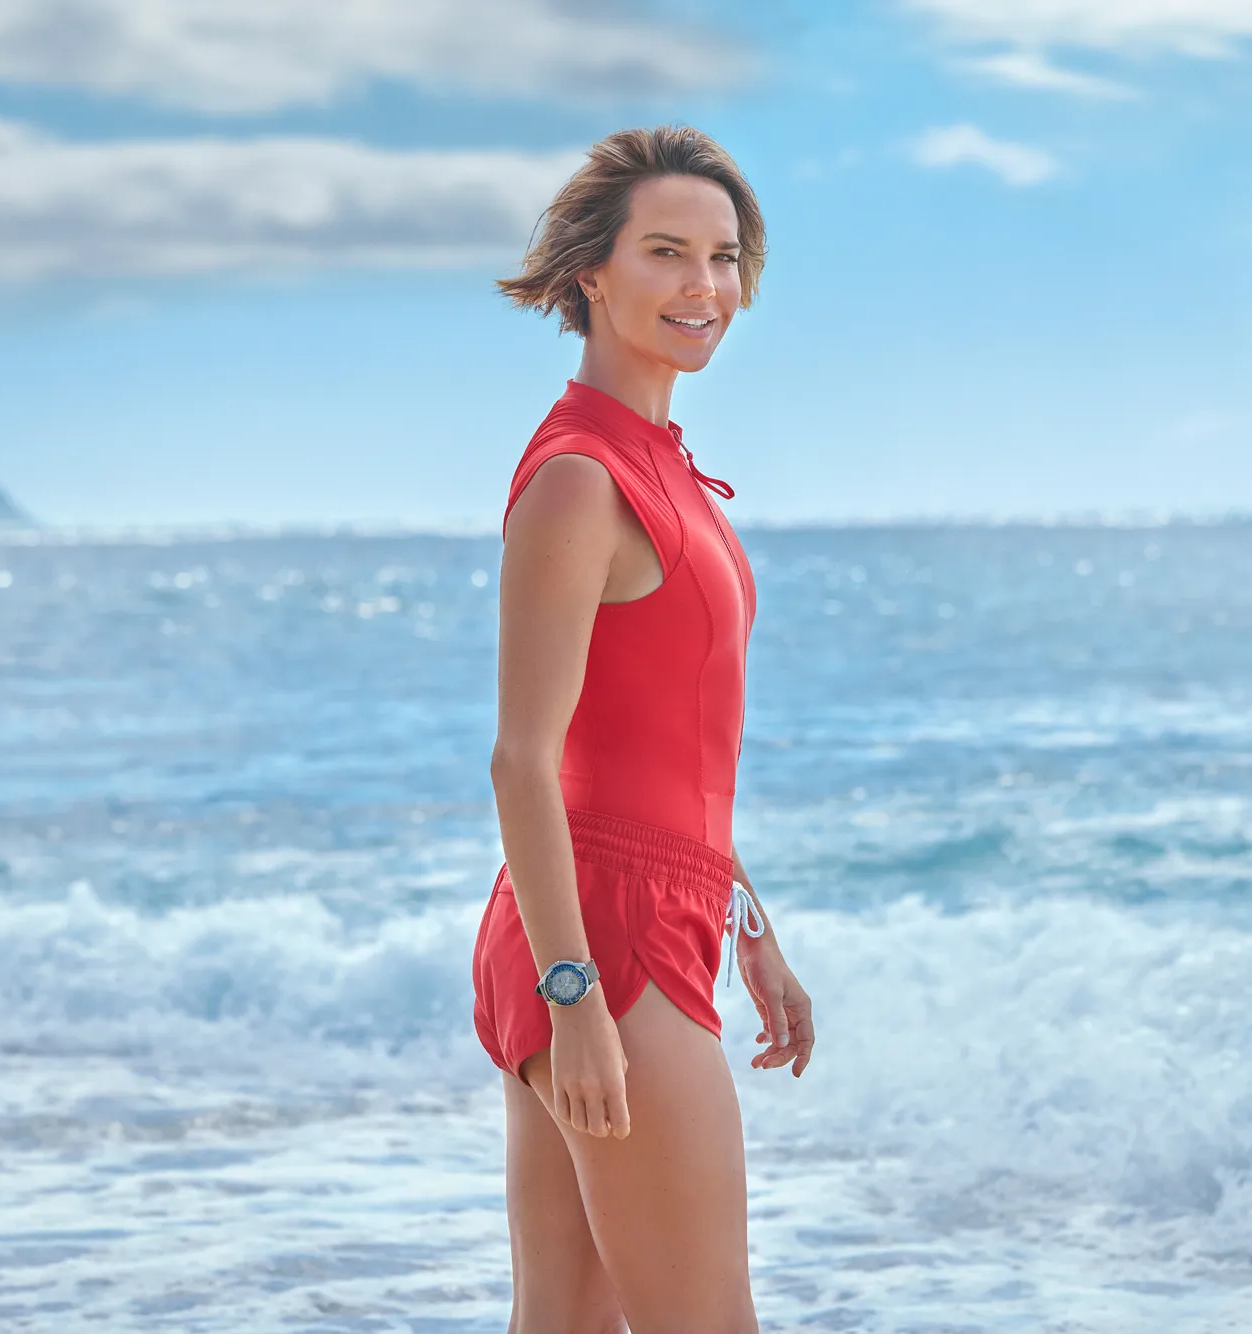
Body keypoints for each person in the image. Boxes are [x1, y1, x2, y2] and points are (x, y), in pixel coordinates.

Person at [470, 124, 816, 1334]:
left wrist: (747, 918)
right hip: (599, 938)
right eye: (665, 252)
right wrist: (574, 1000)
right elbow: (523, 755)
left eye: (721, 258)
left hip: (636, 909)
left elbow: (663, 743)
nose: (702, 286)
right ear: (590, 275)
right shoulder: (580, 477)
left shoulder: (663, 468)